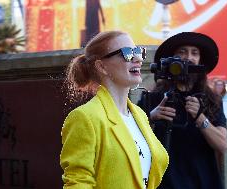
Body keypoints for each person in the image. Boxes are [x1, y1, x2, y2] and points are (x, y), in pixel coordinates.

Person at [60, 30, 169, 189]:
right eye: (127, 53)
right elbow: (78, 182)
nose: (138, 59)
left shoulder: (139, 115)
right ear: (101, 66)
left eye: (138, 51)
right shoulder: (84, 117)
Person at [138, 32, 227, 189]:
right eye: (182, 51)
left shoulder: (211, 99)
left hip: (203, 181)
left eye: (195, 53)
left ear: (200, 61)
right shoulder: (153, 98)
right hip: (163, 182)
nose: (189, 57)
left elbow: (222, 145)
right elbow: (130, 137)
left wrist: (200, 118)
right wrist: (151, 117)